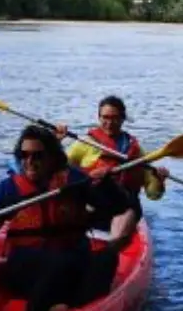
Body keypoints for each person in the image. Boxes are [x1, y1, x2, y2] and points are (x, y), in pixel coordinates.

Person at [0, 125, 137, 311]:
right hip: (26, 270)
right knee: (58, 262)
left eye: (38, 156)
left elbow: (119, 207)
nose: (30, 162)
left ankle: (73, 308)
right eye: (24, 155)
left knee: (107, 257)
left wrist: (107, 186)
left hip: (73, 264)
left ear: (52, 157)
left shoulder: (74, 180)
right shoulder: (9, 189)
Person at [54, 95, 168, 225]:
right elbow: (59, 169)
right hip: (93, 208)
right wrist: (56, 142)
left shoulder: (136, 151)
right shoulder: (85, 144)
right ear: (99, 118)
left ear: (123, 118)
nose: (109, 123)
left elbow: (153, 195)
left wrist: (159, 181)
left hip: (126, 210)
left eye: (115, 118)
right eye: (105, 118)